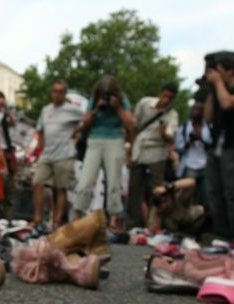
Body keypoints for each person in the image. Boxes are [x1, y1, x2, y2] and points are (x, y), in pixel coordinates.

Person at [203, 52, 234, 245]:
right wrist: (209, 90)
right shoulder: (217, 90)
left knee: (232, 190)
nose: (215, 75)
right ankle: (221, 233)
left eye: (218, 71)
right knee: (214, 191)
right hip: (216, 146)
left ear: (230, 70)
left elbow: (228, 104)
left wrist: (217, 84)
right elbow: (208, 117)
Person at [74, 75, 135, 232]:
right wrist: (95, 109)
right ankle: (77, 215)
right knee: (86, 180)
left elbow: (130, 123)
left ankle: (113, 219)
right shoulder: (94, 99)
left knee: (114, 181)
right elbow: (84, 124)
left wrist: (118, 107)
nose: (106, 98)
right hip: (95, 140)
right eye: (103, 94)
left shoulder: (122, 100)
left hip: (115, 140)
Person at [127, 82, 179, 228]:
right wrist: (130, 151)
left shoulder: (172, 115)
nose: (166, 100)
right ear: (160, 93)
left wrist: (164, 134)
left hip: (157, 152)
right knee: (135, 188)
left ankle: (153, 223)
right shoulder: (145, 103)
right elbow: (134, 126)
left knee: (156, 189)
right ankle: (133, 223)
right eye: (165, 95)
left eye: (170, 97)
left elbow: (171, 136)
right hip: (139, 149)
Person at [32, 80, 82, 231]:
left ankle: (57, 221)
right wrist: (39, 150)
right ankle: (37, 219)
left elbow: (86, 120)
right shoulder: (46, 110)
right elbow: (40, 130)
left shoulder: (72, 110)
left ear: (65, 94)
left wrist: (76, 134)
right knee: (37, 183)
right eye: (55, 91)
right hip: (47, 155)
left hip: (64, 155)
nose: (57, 94)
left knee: (61, 188)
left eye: (61, 91)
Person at [176, 100, 212, 208]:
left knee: (207, 196)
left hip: (206, 165)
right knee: (187, 195)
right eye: (194, 109)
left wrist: (200, 138)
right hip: (189, 165)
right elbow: (179, 147)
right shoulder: (184, 128)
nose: (197, 112)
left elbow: (212, 145)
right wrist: (189, 142)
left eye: (199, 110)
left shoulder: (209, 127)